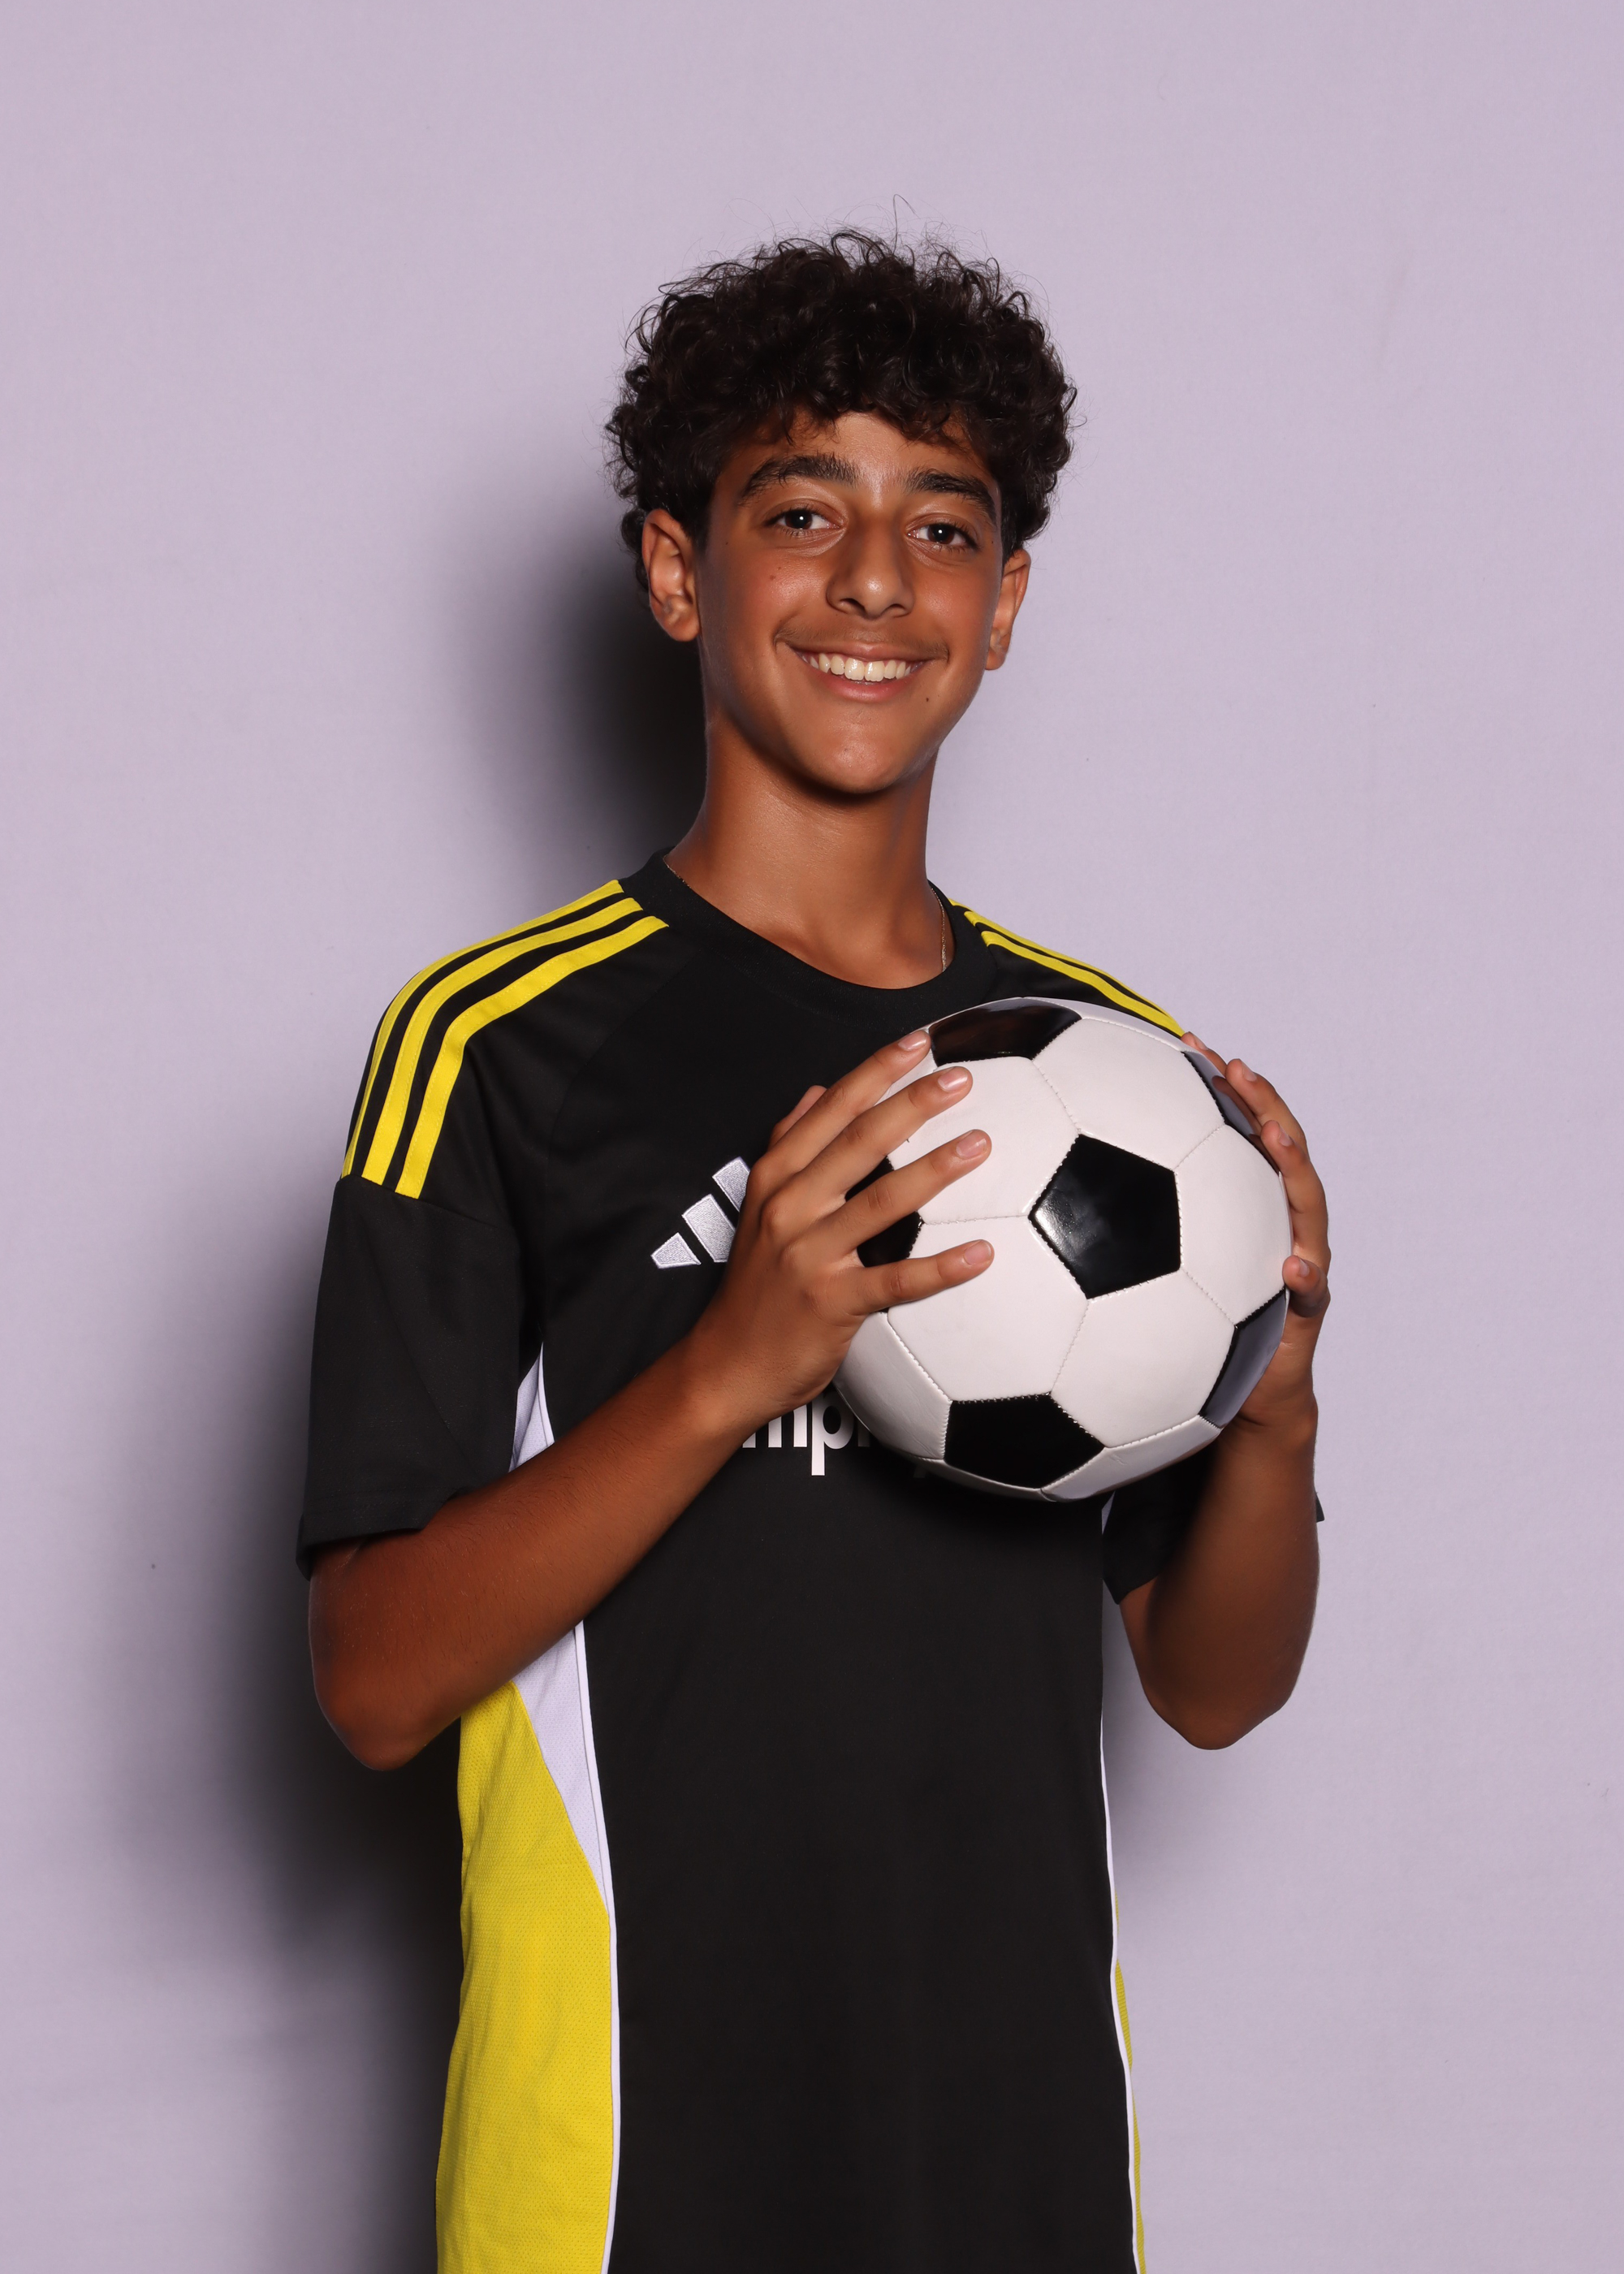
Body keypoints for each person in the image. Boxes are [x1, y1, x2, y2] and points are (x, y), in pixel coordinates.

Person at [300, 233, 1330, 2274]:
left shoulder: (1105, 1079)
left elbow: (1215, 1689)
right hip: (631, 2147)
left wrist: (1277, 1404)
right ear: (678, 571)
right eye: (800, 512)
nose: (874, 579)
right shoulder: (496, 1044)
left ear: (1002, 605)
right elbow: (373, 1681)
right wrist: (726, 1364)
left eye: (941, 525)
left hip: (1020, 2144)